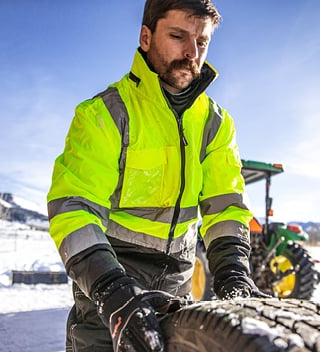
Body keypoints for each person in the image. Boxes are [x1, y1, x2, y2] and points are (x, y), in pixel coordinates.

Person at [47, 1, 264, 351]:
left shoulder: (216, 123)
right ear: (146, 37)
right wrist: (112, 293)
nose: (192, 53)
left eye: (202, 42)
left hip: (179, 287)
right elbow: (73, 211)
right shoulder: (105, 114)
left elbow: (226, 206)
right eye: (178, 36)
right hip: (112, 283)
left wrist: (233, 274)